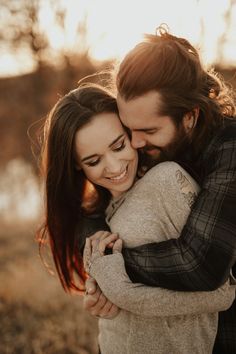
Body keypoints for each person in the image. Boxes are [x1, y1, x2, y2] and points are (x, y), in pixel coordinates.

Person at [38, 82, 234, 354]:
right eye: (93, 161)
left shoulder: (167, 178)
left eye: (119, 145)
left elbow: (219, 290)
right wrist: (99, 282)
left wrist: (116, 285)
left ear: (131, 130)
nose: (115, 167)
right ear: (75, 164)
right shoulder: (97, 212)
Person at [83, 26, 236, 354]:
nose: (136, 143)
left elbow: (201, 263)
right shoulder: (152, 145)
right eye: (129, 130)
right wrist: (97, 262)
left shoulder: (230, 148)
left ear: (190, 117)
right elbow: (94, 208)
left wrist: (110, 263)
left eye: (148, 130)